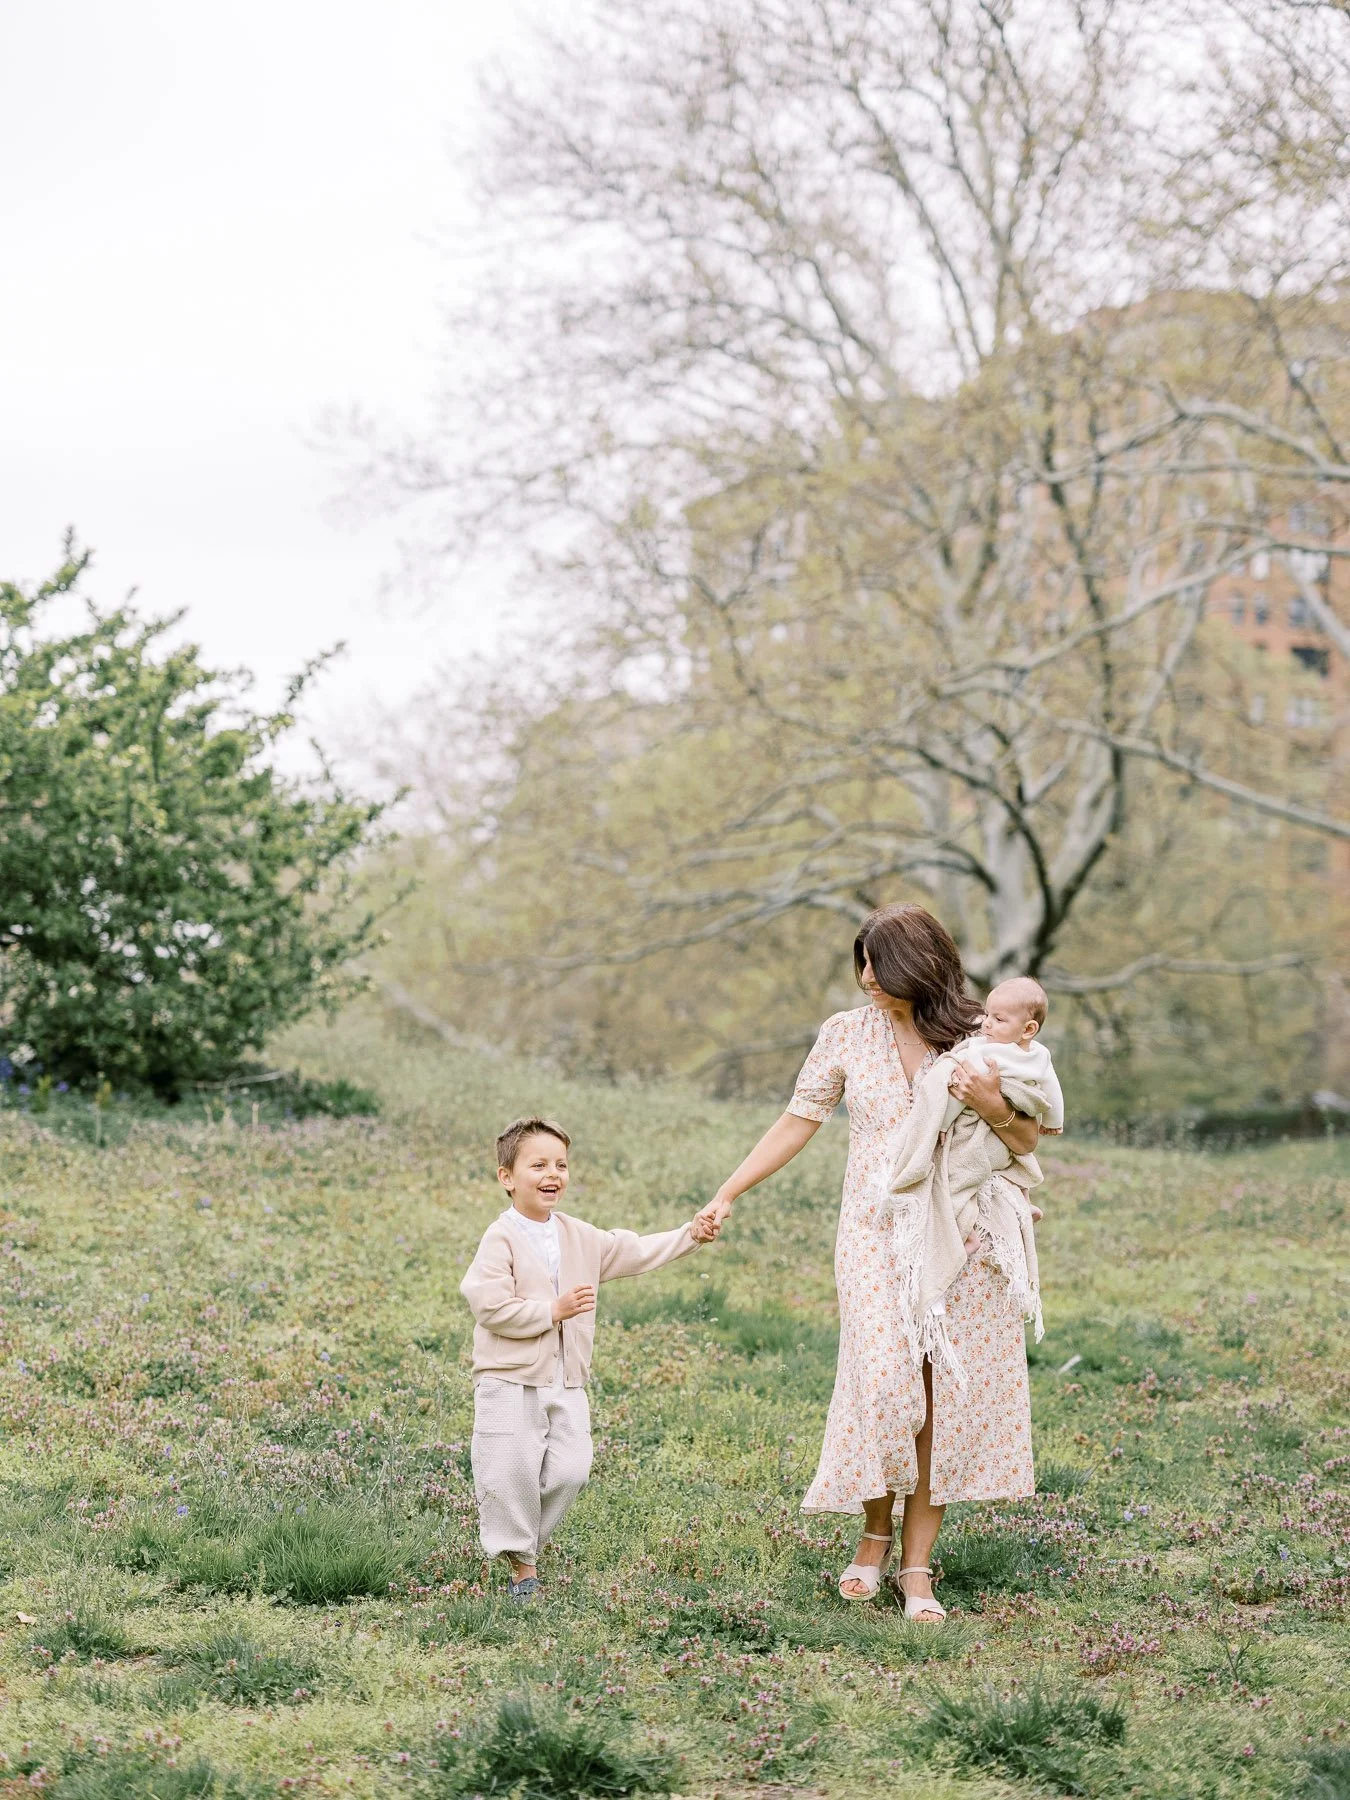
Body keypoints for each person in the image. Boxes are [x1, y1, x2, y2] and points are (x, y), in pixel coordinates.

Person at [695, 905, 1041, 1621]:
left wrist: (991, 1104)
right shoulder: (846, 1034)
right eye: (861, 962)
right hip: (874, 1234)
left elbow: (1031, 1137)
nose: (864, 978)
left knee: (941, 1401)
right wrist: (729, 1190)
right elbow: (798, 1119)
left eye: (877, 964)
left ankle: (917, 1571)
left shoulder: (984, 1038)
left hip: (963, 1239)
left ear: (920, 964)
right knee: (884, 1385)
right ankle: (872, 1536)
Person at [460, 1115, 709, 1601]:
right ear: (507, 1178)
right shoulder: (502, 1236)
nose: (553, 1174)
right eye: (538, 1165)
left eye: (561, 1164)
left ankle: (527, 1544)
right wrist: (552, 1310)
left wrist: (692, 1233)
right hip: (509, 1377)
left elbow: (637, 1250)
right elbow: (487, 1304)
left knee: (572, 1467)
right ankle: (522, 1568)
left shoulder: (580, 1236)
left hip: (566, 1377)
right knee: (509, 1469)